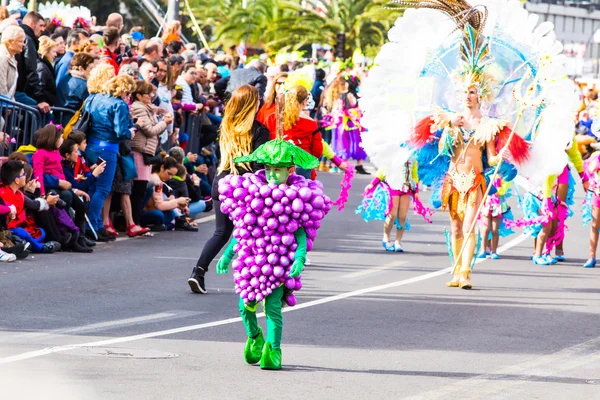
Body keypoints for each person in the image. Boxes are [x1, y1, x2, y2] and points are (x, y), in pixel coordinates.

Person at [216, 138, 331, 370]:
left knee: (272, 308)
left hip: (279, 264)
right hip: (251, 263)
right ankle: (254, 335)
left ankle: (273, 349)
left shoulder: (295, 198)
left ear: (290, 170)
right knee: (244, 305)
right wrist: (228, 254)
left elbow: (299, 235)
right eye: (267, 169)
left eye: (276, 170)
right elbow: (243, 229)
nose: (271, 174)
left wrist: (299, 259)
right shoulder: (255, 195)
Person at [188, 85, 270, 294]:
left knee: (221, 232)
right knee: (252, 232)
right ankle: (252, 278)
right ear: (253, 103)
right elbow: (260, 165)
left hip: (223, 182)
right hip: (246, 186)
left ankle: (198, 271)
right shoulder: (260, 130)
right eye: (258, 99)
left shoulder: (227, 125)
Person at [83, 74, 136, 242]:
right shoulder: (119, 105)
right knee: (103, 189)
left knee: (92, 187)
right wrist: (131, 132)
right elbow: (121, 132)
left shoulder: (94, 98)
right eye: (128, 93)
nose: (128, 97)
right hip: (108, 148)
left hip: (91, 146)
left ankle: (95, 224)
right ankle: (93, 226)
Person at [130, 80, 173, 234]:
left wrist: (162, 122)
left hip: (146, 151)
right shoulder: (138, 108)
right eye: (147, 94)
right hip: (140, 150)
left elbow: (155, 131)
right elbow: (149, 130)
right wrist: (165, 122)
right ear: (138, 95)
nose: (151, 96)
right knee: (138, 190)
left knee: (142, 189)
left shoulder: (147, 108)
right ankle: (133, 222)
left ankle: (135, 221)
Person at [0, 160, 61, 253]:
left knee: (41, 232)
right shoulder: (3, 193)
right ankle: (40, 248)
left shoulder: (19, 193)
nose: (25, 176)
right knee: (21, 232)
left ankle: (26, 244)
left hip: (19, 226)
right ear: (17, 180)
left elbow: (33, 205)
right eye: (23, 174)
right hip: (7, 229)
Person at [264, 85, 323, 179]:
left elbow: (265, 142)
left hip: (277, 164)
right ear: (305, 102)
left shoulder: (272, 118)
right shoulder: (311, 123)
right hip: (302, 166)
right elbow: (317, 151)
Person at [15, 11, 50, 113]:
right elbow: (31, 70)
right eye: (41, 25)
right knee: (44, 116)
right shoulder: (28, 40)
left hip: (17, 91)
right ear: (31, 23)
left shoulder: (27, 39)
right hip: (17, 92)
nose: (43, 29)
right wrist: (40, 99)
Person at [0, 25, 24, 100]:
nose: (23, 44)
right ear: (10, 42)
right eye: (20, 41)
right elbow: (1, 87)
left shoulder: (12, 57)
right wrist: (8, 107)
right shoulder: (2, 57)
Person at [35, 36, 58, 106]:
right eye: (53, 51)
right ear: (46, 51)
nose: (55, 55)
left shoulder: (44, 65)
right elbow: (39, 87)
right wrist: (41, 101)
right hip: (43, 107)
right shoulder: (42, 67)